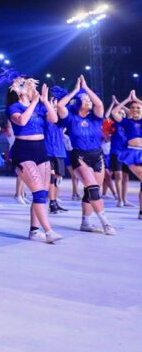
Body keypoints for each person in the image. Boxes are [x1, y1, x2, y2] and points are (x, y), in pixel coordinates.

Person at [2, 72, 62, 243]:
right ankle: (49, 231)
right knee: (38, 191)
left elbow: (54, 118)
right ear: (18, 90)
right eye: (27, 85)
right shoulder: (13, 107)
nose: (32, 87)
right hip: (24, 150)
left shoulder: (39, 106)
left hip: (41, 150)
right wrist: (34, 102)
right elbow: (21, 121)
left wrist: (43, 101)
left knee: (41, 193)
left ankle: (34, 231)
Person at [56, 75, 116, 235]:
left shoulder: (95, 118)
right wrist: (76, 90)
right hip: (79, 157)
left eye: (89, 99)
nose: (89, 100)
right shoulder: (70, 118)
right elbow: (61, 105)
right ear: (77, 103)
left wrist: (86, 88)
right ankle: (106, 223)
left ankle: (86, 222)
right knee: (94, 189)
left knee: (90, 192)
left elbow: (99, 103)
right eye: (85, 99)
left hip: (97, 156)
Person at [112, 90, 142, 217]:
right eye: (133, 108)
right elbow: (114, 112)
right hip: (132, 153)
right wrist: (126, 100)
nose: (135, 109)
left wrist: (135, 98)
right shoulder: (127, 122)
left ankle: (141, 210)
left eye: (138, 107)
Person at [44, 87, 69, 214]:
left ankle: (55, 201)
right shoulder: (45, 122)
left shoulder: (60, 123)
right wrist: (49, 105)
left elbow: (64, 111)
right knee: (51, 178)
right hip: (48, 153)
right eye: (51, 110)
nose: (54, 112)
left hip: (59, 153)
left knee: (58, 178)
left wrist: (57, 106)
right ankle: (52, 203)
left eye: (55, 110)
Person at [108, 95, 133, 207]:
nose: (121, 113)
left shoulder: (129, 124)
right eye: (120, 113)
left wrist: (119, 102)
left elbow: (131, 113)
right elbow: (109, 114)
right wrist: (117, 105)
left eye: (123, 113)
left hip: (127, 152)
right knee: (118, 175)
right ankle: (119, 199)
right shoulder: (113, 125)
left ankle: (125, 199)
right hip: (116, 152)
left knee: (126, 177)